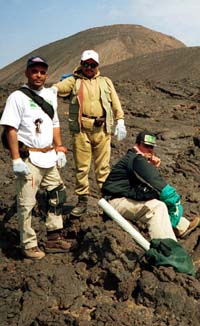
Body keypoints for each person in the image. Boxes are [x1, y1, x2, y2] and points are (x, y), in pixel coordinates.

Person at [0, 55, 73, 260]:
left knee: (58, 193)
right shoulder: (17, 97)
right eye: (34, 71)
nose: (38, 75)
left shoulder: (50, 96)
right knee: (26, 203)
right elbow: (10, 129)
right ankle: (28, 244)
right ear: (27, 73)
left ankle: (53, 236)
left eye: (42, 72)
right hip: (29, 158)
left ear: (46, 74)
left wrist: (59, 148)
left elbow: (55, 123)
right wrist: (15, 159)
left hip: (48, 156)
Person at [53, 49, 127, 217]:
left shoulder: (106, 82)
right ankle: (82, 200)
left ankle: (107, 201)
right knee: (82, 168)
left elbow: (115, 102)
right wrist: (53, 90)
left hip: (102, 130)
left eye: (92, 65)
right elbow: (61, 88)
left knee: (103, 168)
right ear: (81, 64)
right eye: (86, 64)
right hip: (81, 131)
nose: (89, 67)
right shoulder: (74, 81)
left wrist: (120, 120)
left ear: (97, 66)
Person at [102, 130, 200, 241]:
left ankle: (180, 227)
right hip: (114, 202)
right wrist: (174, 200)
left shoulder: (135, 158)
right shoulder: (136, 159)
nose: (149, 150)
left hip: (120, 199)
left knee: (157, 198)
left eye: (152, 147)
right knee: (157, 207)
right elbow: (158, 183)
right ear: (138, 144)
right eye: (146, 146)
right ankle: (167, 247)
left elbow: (152, 185)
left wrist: (151, 166)